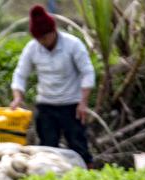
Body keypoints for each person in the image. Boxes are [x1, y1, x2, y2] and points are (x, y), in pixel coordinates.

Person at [10, 4, 96, 168]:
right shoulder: (32, 48)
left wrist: (83, 102)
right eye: (38, 38)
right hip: (46, 106)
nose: (42, 42)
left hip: (72, 105)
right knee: (47, 149)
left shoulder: (73, 45)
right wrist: (17, 97)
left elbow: (87, 72)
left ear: (53, 31)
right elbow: (20, 74)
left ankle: (88, 176)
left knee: (79, 146)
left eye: (45, 37)